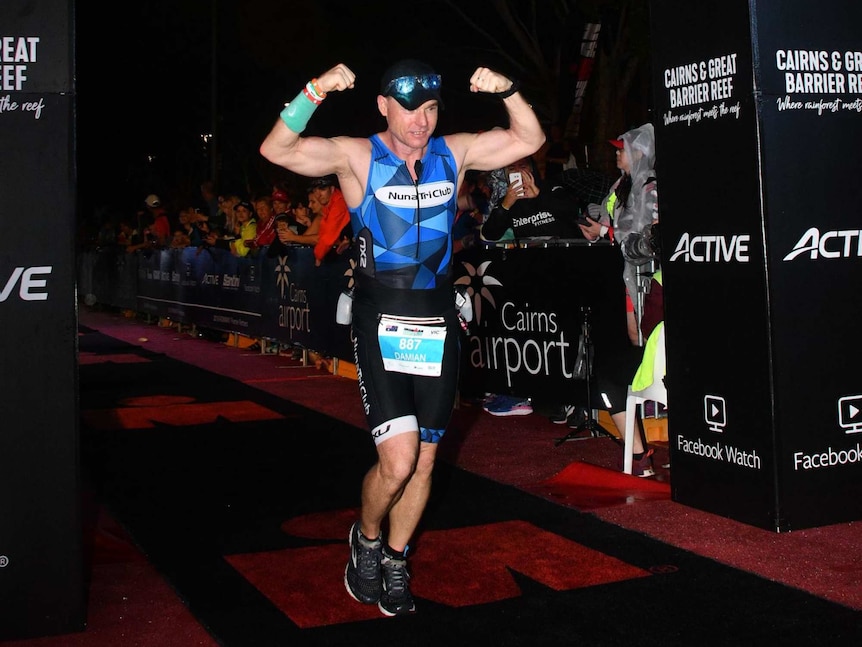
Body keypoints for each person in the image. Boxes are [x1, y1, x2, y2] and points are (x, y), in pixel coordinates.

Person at [259, 58, 544, 616]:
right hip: (380, 322)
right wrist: (315, 90)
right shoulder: (357, 155)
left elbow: (528, 137)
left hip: (437, 323)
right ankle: (365, 541)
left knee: (427, 460)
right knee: (398, 461)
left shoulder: (453, 153)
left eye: (431, 109)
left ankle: (394, 556)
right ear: (384, 106)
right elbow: (277, 149)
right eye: (410, 109)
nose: (421, 121)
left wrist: (507, 90)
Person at [579, 123, 657, 345]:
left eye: (621, 149)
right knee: (633, 333)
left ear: (638, 152)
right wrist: (592, 228)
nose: (617, 153)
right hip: (621, 268)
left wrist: (603, 231)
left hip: (643, 270)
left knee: (644, 331)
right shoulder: (620, 185)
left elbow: (642, 235)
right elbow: (606, 214)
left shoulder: (648, 186)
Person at [480, 156, 585, 242]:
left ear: (531, 169)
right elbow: (490, 235)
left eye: (522, 167)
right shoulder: (507, 200)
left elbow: (572, 212)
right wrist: (504, 207)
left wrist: (539, 196)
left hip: (563, 251)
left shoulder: (551, 187)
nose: (517, 171)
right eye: (512, 169)